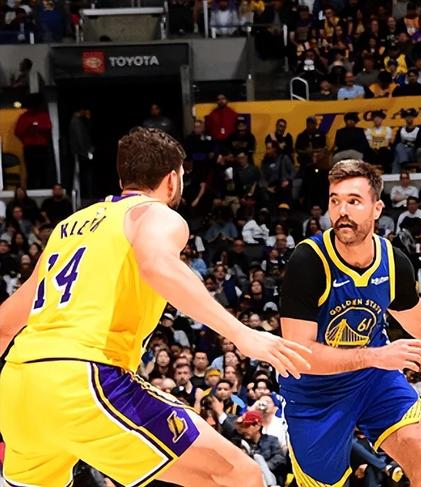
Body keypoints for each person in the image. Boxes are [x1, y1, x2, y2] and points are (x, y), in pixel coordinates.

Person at [0, 127, 310, 487]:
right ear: (172, 180)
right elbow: (157, 265)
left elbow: (5, 324)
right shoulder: (154, 213)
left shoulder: (67, 228)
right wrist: (242, 334)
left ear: (122, 179)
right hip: (85, 375)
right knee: (239, 475)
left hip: (20, 385)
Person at [279, 159, 421, 487]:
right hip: (314, 391)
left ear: (377, 208)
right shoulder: (308, 260)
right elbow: (300, 355)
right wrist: (376, 356)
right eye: (335, 201)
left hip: (374, 379)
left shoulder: (393, 260)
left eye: (354, 201)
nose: (342, 211)